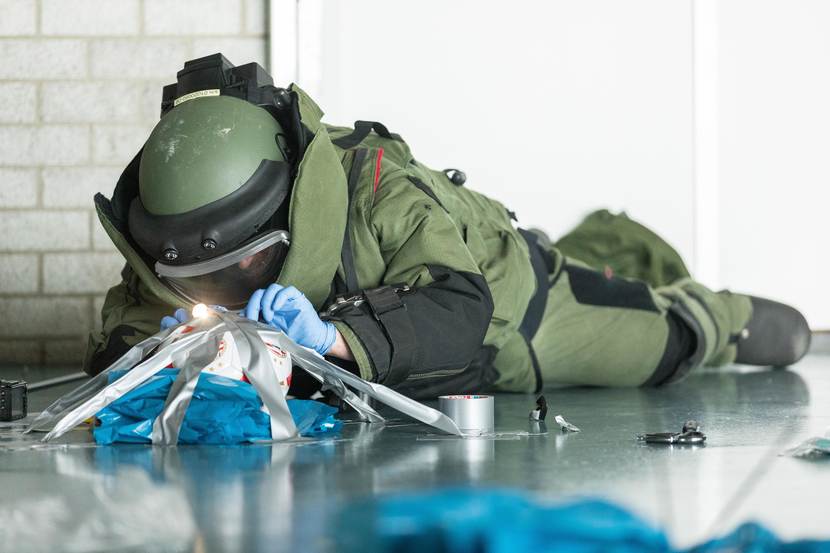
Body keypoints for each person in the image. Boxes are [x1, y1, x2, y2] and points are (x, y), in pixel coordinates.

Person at [85, 54, 810, 398]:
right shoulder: (170, 241)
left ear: (285, 215)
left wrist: (332, 339)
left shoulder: (375, 189)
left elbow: (460, 310)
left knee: (664, 346)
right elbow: (125, 329)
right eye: (198, 277)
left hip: (517, 316)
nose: (223, 289)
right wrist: (160, 352)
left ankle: (719, 315)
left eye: (241, 266)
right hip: (409, 367)